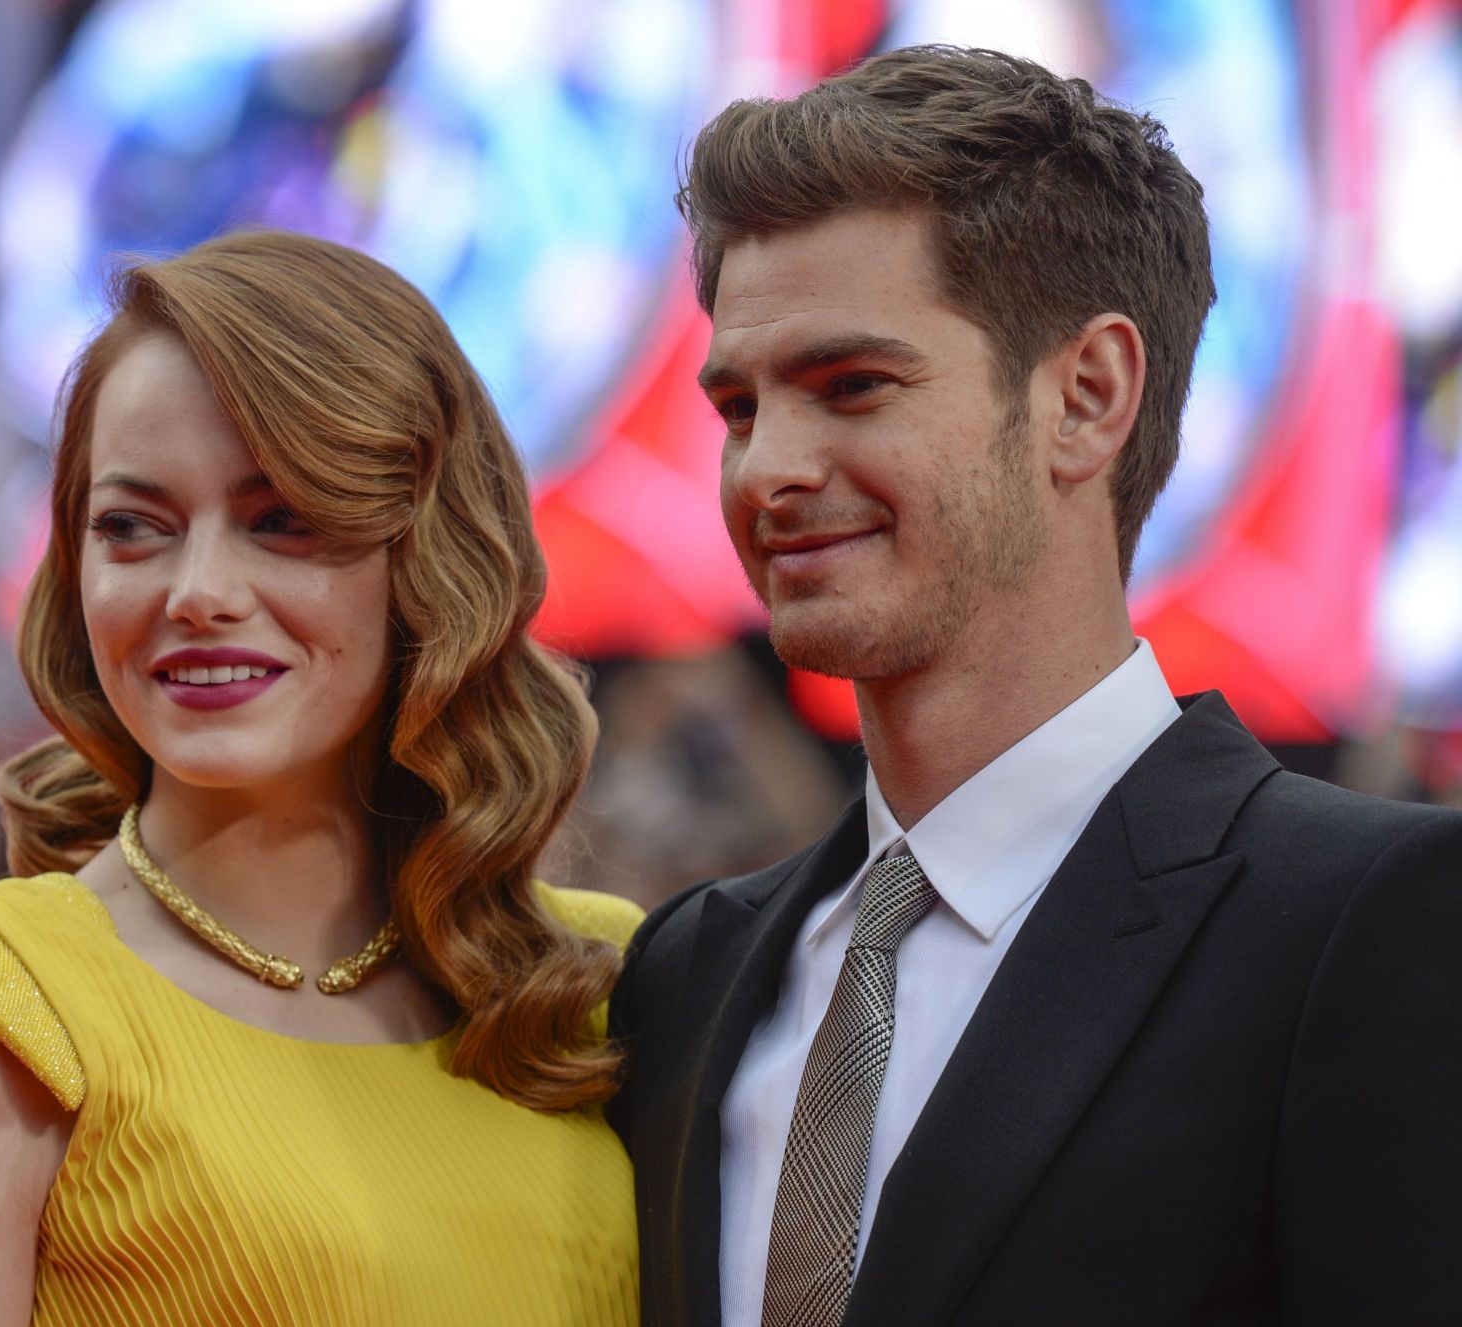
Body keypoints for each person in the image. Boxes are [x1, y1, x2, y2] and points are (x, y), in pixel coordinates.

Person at [608, 44, 1462, 1327]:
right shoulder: (689, 971)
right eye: (738, 407)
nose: (767, 469)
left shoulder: (1369, 922)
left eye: (852, 387)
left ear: (1088, 395)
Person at [0, 231, 642, 1326]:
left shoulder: (596, 988)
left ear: (430, 556)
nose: (197, 590)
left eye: (282, 521)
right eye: (132, 528)